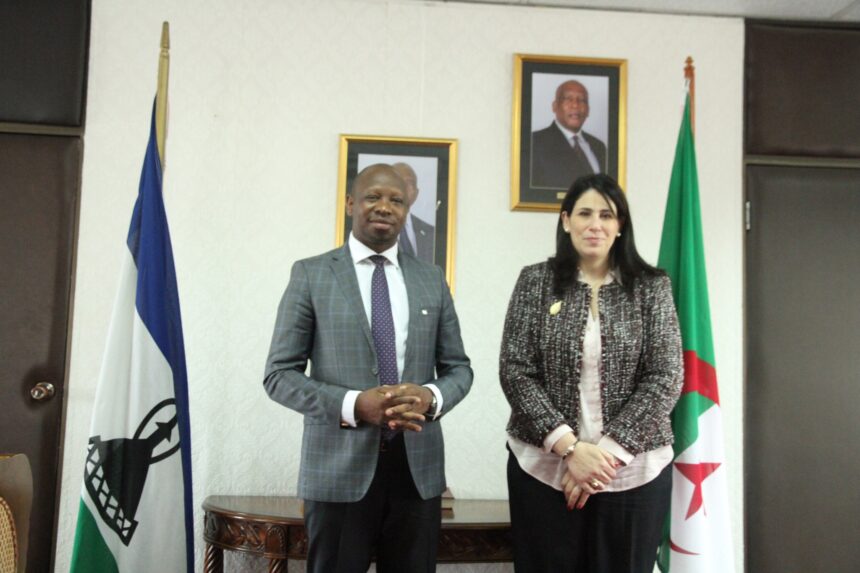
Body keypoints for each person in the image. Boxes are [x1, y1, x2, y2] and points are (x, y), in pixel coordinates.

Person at [263, 164, 472, 573]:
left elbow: (459, 369)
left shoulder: (431, 279)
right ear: (350, 204)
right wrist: (355, 404)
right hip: (337, 473)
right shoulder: (311, 274)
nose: (385, 207)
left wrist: (431, 397)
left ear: (406, 209)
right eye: (373, 196)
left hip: (418, 473)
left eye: (396, 200)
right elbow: (278, 375)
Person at [499, 173, 683, 572]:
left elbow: (665, 376)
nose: (594, 224)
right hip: (544, 471)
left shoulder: (652, 287)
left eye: (606, 214)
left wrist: (603, 458)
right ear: (566, 221)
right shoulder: (536, 281)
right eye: (584, 213)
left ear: (620, 226)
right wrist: (569, 449)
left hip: (635, 474)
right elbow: (515, 370)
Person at [531, 80, 608, 189]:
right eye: (568, 99)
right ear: (554, 106)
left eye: (582, 100)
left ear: (588, 110)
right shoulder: (534, 143)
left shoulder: (599, 147)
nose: (575, 105)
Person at [392, 162, 436, 263]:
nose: (403, 188)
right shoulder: (372, 228)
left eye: (409, 183)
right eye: (397, 181)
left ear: (416, 193)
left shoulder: (430, 232)